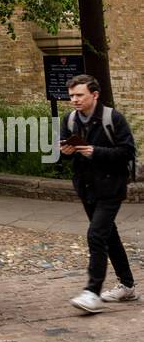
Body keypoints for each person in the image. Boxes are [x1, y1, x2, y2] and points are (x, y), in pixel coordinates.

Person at [59, 73, 138, 314]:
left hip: (111, 186)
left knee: (96, 235)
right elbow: (62, 155)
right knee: (108, 235)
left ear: (94, 95)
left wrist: (96, 152)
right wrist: (66, 151)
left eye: (79, 95)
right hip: (86, 187)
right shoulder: (70, 120)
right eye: (71, 95)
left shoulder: (112, 118)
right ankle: (127, 285)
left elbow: (127, 151)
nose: (74, 99)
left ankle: (92, 292)